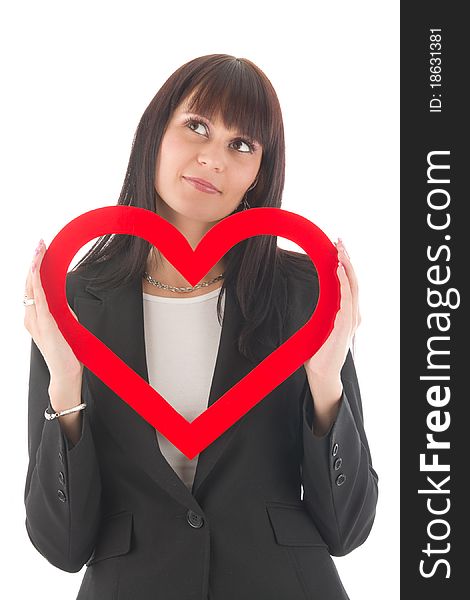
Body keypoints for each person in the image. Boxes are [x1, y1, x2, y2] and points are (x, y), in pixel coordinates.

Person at [23, 54, 378, 600]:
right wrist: (66, 390)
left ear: (261, 171)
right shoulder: (74, 303)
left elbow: (348, 529)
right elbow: (61, 545)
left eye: (242, 145)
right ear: (154, 134)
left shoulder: (302, 292)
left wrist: (326, 385)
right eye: (197, 126)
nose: (213, 158)